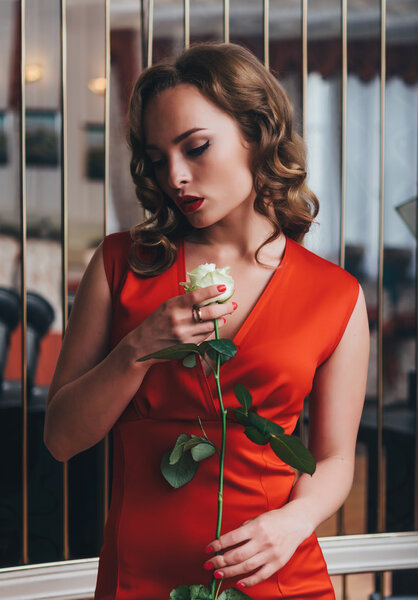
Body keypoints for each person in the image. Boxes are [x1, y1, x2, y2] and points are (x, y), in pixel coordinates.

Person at [44, 42, 370, 599]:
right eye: (157, 158)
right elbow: (61, 439)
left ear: (256, 132)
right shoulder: (122, 264)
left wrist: (294, 523)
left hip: (277, 578)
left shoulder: (335, 293)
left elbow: (336, 457)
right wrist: (140, 346)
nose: (175, 176)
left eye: (195, 148)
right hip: (139, 580)